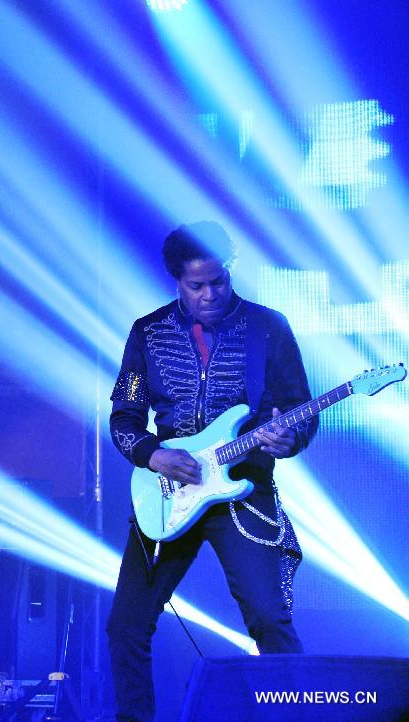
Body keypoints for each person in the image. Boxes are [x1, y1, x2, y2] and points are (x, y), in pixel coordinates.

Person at [105, 222, 317, 722]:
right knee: (127, 625)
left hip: (244, 490)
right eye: (196, 286)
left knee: (269, 617)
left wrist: (290, 438)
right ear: (176, 281)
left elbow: (300, 408)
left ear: (230, 270)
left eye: (217, 281)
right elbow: (124, 417)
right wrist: (152, 454)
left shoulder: (269, 327)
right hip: (166, 492)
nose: (209, 294)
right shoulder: (148, 332)